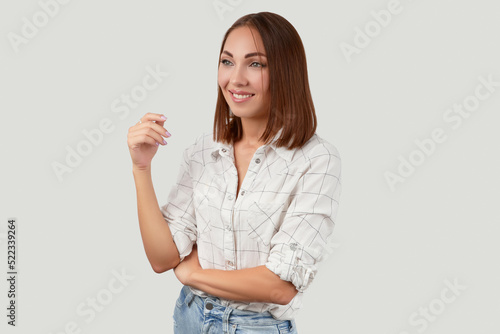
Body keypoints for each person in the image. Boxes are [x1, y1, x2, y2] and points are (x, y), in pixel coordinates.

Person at [127, 11, 342, 334]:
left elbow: (279, 286)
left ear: (286, 71)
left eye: (255, 64)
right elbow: (162, 258)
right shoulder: (205, 148)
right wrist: (141, 167)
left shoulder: (316, 159)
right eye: (227, 62)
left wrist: (192, 274)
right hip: (190, 317)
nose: (236, 79)